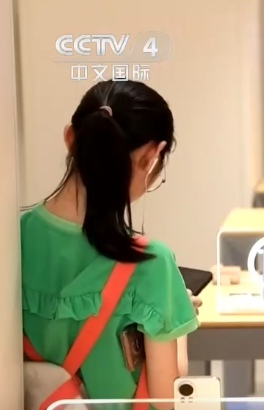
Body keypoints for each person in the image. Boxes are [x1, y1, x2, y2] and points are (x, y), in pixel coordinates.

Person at [21, 80, 200, 407]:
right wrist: (177, 314)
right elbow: (167, 399)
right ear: (152, 157)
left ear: (70, 138)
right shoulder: (151, 263)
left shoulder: (11, 239)